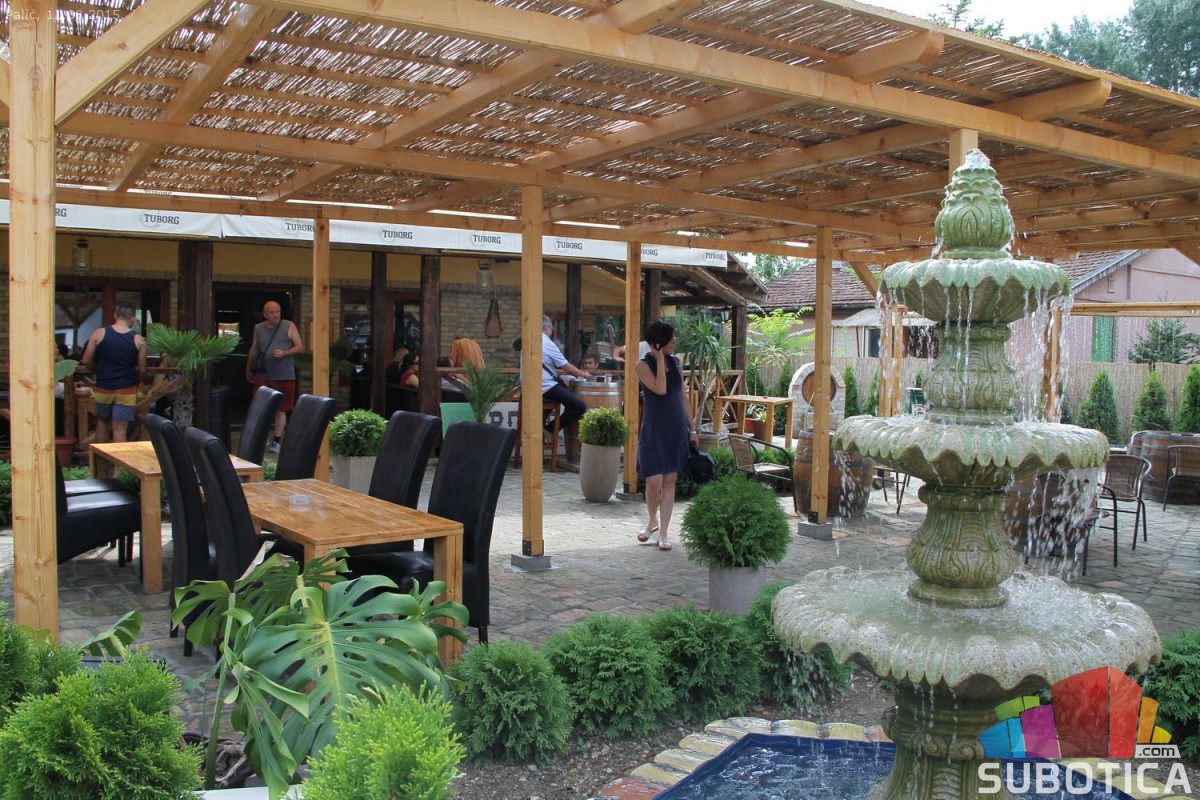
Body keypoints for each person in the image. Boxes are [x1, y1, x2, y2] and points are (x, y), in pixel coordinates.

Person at [635, 320, 697, 552]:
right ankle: (652, 520)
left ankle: (663, 532)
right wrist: (659, 359)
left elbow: (683, 397)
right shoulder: (642, 365)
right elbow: (660, 389)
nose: (675, 342)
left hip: (675, 426)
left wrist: (692, 429)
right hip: (654, 428)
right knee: (653, 481)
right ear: (658, 344)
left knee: (670, 481)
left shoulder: (676, 362)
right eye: (670, 339)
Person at [81, 303, 147, 444]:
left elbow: (85, 359)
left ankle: (99, 458)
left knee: (102, 423)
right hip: (126, 389)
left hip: (103, 386)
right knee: (120, 429)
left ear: (115, 316)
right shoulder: (139, 340)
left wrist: (95, 369)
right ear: (133, 319)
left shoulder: (99, 333)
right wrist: (137, 381)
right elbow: (142, 369)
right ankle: (118, 460)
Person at [245, 300, 304, 452]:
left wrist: (285, 353)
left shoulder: (288, 325)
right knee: (260, 407)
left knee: (281, 409)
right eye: (271, 312)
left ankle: (276, 441)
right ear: (265, 314)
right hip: (263, 374)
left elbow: (299, 347)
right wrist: (248, 369)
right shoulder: (258, 328)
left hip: (285, 375)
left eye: (277, 311)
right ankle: (261, 438)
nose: (275, 315)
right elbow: (254, 349)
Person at [537, 315, 589, 440]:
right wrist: (584, 374)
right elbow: (567, 367)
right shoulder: (546, 342)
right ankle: (550, 429)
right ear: (547, 327)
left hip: (531, 386)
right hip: (545, 386)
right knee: (579, 406)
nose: (551, 332)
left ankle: (538, 427)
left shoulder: (530, 340)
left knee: (564, 391)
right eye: (551, 329)